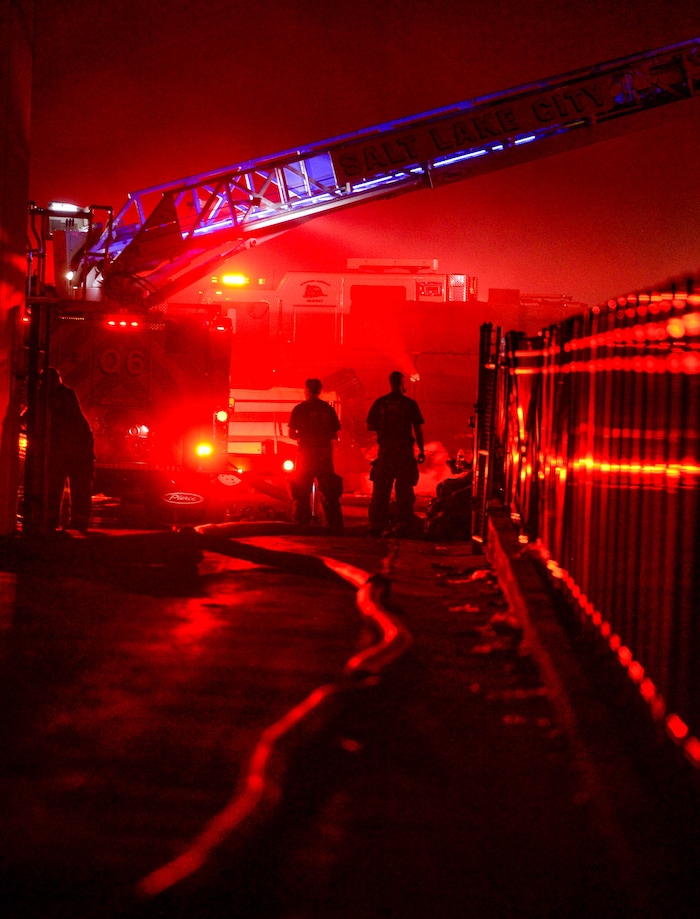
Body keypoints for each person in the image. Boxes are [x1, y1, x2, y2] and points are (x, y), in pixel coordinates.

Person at [366, 370, 425, 537]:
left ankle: (376, 525)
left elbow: (370, 427)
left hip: (385, 450)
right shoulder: (410, 404)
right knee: (404, 489)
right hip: (404, 451)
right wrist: (420, 450)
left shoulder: (380, 403)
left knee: (381, 489)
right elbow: (417, 429)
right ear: (402, 383)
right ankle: (404, 524)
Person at [41, 367, 95, 532]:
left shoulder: (55, 396)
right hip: (77, 448)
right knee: (77, 487)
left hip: (73, 449)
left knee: (57, 485)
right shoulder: (65, 394)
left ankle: (54, 521)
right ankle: (78, 521)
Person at [288, 378, 344, 533]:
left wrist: (304, 435)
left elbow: (291, 434)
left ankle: (300, 525)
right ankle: (334, 526)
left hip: (306, 454)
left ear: (307, 390)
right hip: (324, 455)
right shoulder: (328, 409)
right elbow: (334, 434)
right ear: (320, 390)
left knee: (301, 490)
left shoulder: (300, 409)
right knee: (329, 491)